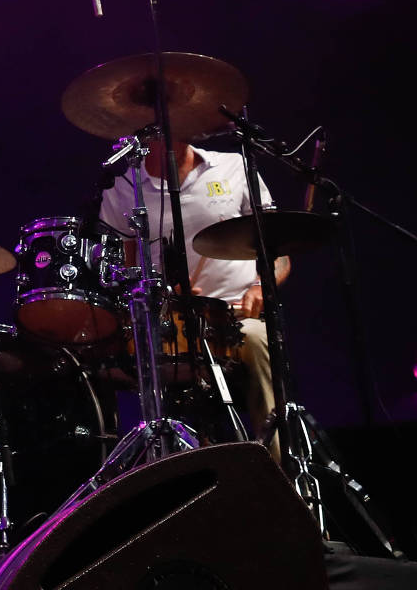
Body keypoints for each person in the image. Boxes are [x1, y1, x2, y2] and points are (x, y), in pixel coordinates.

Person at [99, 136, 291, 440]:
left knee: (258, 338)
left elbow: (277, 251)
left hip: (235, 318)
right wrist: (162, 296)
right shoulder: (124, 185)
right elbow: (126, 270)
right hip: (169, 325)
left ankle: (277, 468)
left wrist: (259, 287)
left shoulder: (234, 167)